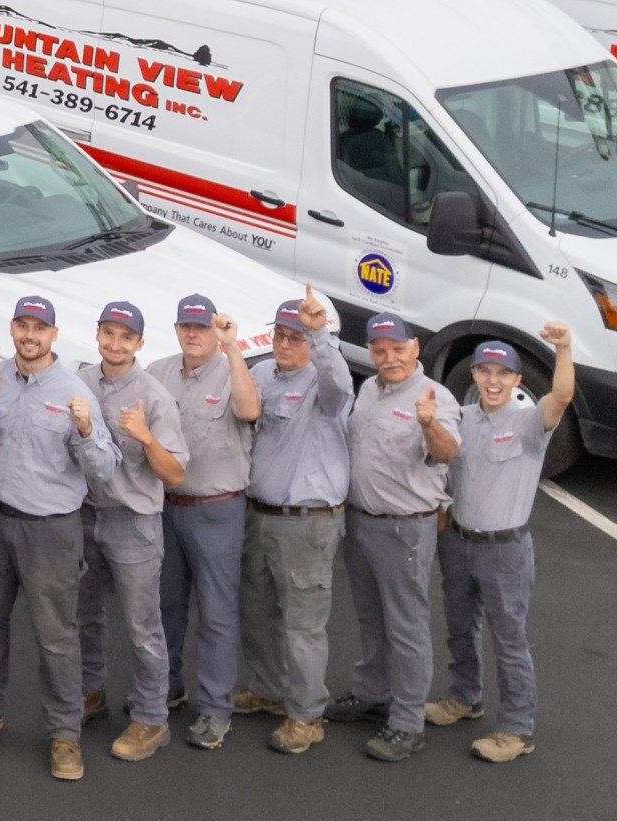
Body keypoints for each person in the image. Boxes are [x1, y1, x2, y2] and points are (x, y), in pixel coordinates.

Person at [0, 297, 115, 780]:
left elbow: (106, 470)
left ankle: (65, 735)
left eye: (39, 328)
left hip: (51, 529)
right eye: (22, 326)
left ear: (53, 334)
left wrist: (87, 430)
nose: (29, 335)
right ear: (12, 328)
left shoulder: (73, 391)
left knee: (55, 636)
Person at [433, 326, 575, 763]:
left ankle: (516, 729)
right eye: (484, 371)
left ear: (517, 380)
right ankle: (464, 699)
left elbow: (563, 396)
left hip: (505, 550)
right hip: (457, 541)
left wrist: (563, 348)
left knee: (508, 638)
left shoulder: (529, 421)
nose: (492, 381)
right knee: (459, 625)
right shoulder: (461, 418)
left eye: (502, 373)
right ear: (474, 374)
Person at [336, 314, 463, 760]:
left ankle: (407, 721)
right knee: (371, 617)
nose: (388, 357)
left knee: (406, 625)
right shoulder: (369, 389)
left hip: (404, 527)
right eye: (379, 349)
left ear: (414, 348)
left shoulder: (435, 397)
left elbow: (447, 453)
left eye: (397, 348)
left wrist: (428, 423)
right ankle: (373, 692)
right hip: (361, 522)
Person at [72, 300, 189, 765]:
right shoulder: (78, 382)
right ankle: (90, 690)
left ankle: (151, 718)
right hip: (84, 516)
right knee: (84, 615)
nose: (115, 344)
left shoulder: (154, 397)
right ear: (97, 333)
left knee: (143, 628)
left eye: (126, 337)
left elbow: (175, 474)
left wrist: (145, 436)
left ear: (140, 343)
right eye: (108, 333)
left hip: (133, 523)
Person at [240, 292, 354, 756]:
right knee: (256, 609)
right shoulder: (261, 373)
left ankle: (307, 715)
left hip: (307, 522)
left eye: (296, 337)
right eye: (280, 335)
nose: (285, 344)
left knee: (303, 625)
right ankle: (267, 690)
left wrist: (320, 332)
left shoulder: (324, 385)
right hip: (259, 515)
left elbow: (339, 384)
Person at [149, 293, 263, 751]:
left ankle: (216, 709)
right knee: (165, 606)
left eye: (201, 327)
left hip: (217, 509)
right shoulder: (158, 372)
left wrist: (234, 349)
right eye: (186, 326)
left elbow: (250, 410)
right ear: (176, 329)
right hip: (165, 507)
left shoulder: (233, 370)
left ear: (215, 332)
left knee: (215, 614)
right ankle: (169, 686)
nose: (193, 334)